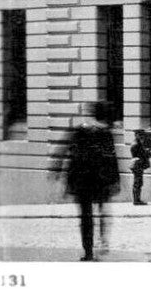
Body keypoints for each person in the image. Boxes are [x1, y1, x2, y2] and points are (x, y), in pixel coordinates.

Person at [52, 102, 120, 261]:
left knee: (85, 217)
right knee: (103, 211)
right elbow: (112, 159)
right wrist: (115, 180)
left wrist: (56, 169)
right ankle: (102, 241)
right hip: (99, 180)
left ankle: (88, 251)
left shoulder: (78, 131)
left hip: (82, 181)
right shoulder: (105, 133)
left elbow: (61, 150)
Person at [129, 129, 151, 206]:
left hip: (137, 164)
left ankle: (137, 200)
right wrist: (150, 153)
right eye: (140, 135)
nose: (142, 136)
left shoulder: (136, 142)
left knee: (138, 182)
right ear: (137, 135)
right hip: (137, 165)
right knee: (138, 183)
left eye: (142, 135)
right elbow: (142, 154)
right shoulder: (136, 144)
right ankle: (136, 201)